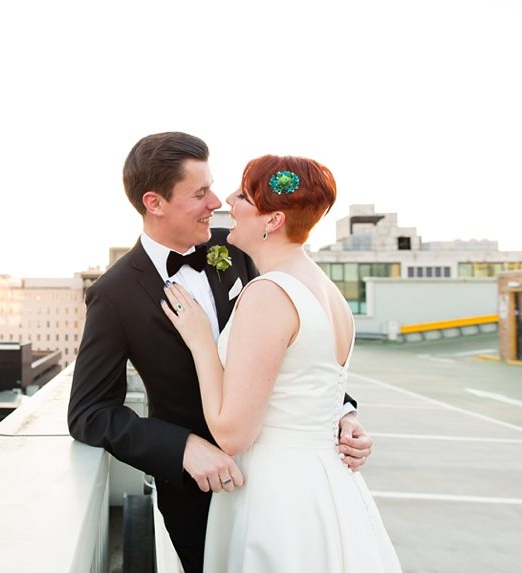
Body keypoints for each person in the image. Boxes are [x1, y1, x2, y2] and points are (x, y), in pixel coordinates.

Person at [68, 132, 374, 572]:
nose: (218, 202)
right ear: (154, 203)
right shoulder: (114, 294)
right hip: (196, 492)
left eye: (215, 187)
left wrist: (340, 412)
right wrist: (182, 447)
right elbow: (89, 413)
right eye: (200, 193)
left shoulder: (243, 248)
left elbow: (297, 346)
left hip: (281, 485)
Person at [161, 154, 401, 571]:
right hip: (328, 486)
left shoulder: (268, 294)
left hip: (276, 495)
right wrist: (345, 415)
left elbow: (232, 433)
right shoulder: (329, 293)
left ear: (271, 221)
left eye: (242, 196)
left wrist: (201, 341)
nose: (227, 203)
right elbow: (311, 383)